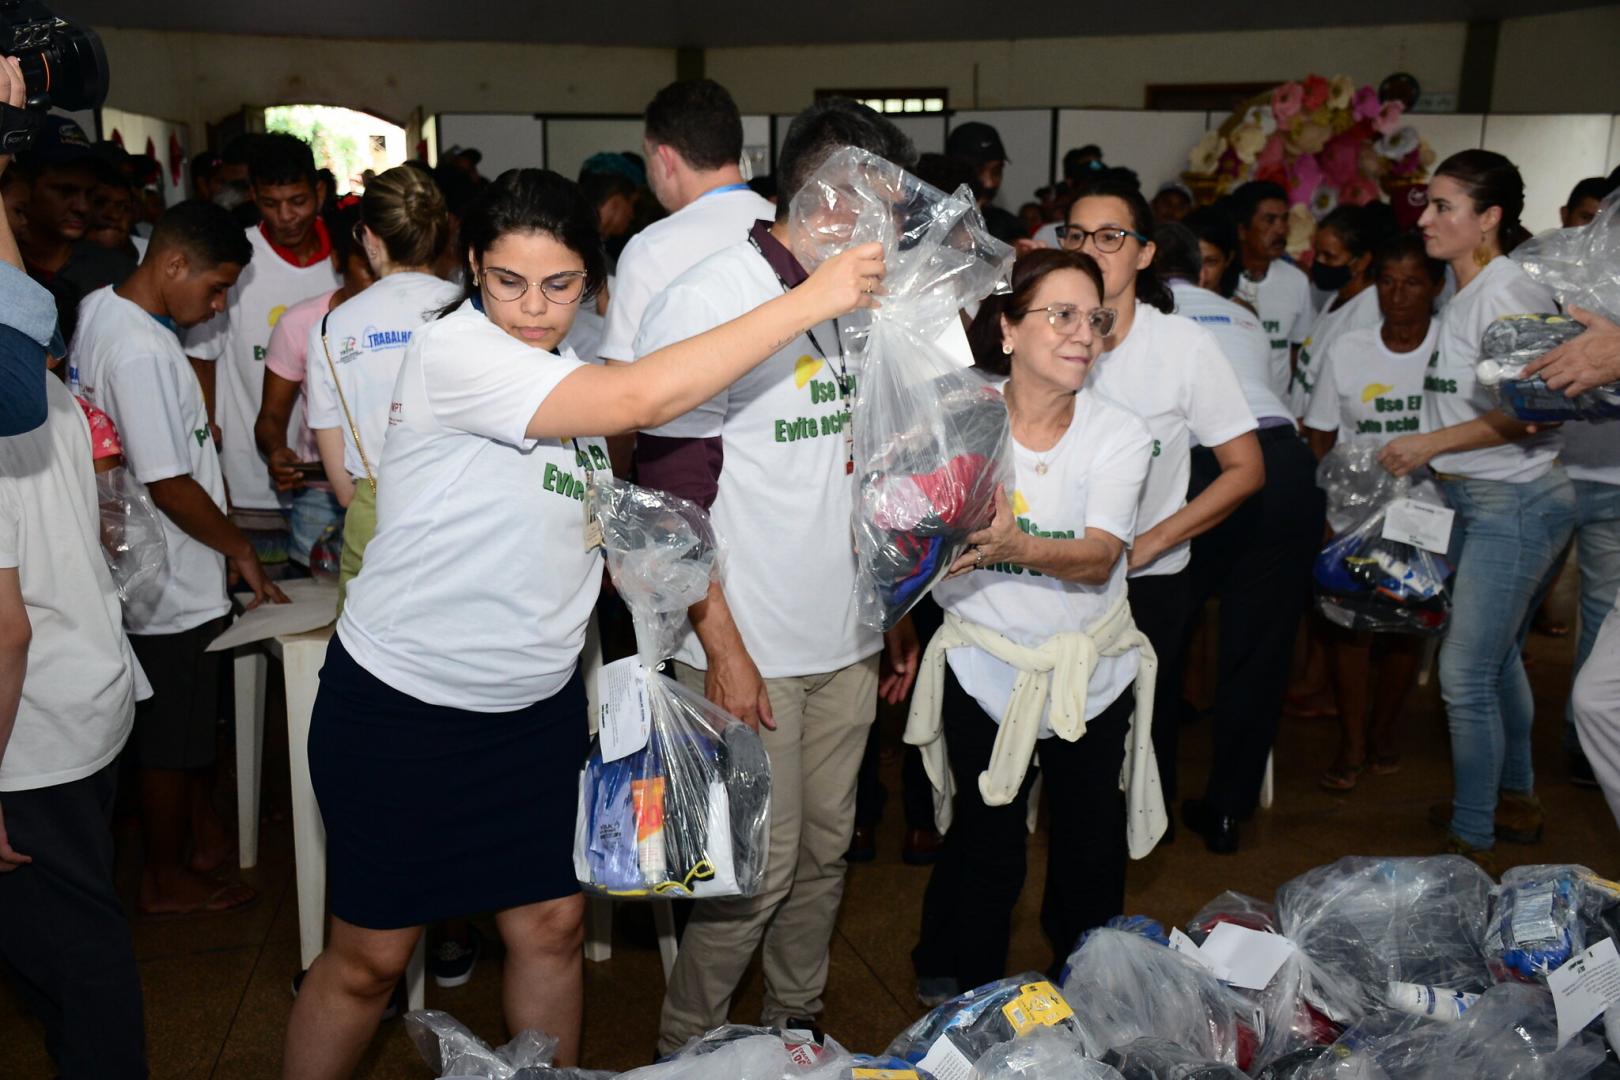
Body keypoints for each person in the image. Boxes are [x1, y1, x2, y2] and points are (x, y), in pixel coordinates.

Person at [279, 166, 884, 1080]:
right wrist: (814, 298)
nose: (532, 308)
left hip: (532, 714)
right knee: (370, 962)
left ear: (591, 287)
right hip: (405, 708)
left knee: (554, 927)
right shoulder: (456, 355)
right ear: (472, 267)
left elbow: (623, 538)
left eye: (559, 285)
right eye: (508, 281)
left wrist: (719, 643)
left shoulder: (564, 379)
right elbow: (641, 398)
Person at [633, 99, 922, 1054]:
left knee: (827, 855)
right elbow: (669, 503)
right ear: (833, 197)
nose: (893, 227)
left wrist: (894, 610)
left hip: (842, 633)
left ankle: (797, 1027)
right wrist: (721, 648)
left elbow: (866, 459)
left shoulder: (861, 298)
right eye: (884, 203)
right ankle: (690, 1045)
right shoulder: (713, 298)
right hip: (747, 640)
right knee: (755, 869)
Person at [907, 247, 1158, 1001]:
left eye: (1096, 318)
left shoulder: (1117, 432)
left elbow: (1099, 557)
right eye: (1063, 315)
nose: (1085, 333)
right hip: (983, 662)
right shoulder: (959, 417)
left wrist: (1015, 546)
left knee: (1088, 846)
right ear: (1010, 330)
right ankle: (969, 1000)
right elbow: (906, 526)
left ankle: (1086, 999)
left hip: (1088, 668)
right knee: (986, 847)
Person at [74, 200, 287, 918]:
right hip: (170, 579)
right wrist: (239, 549)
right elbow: (168, 482)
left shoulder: (104, 307)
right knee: (172, 740)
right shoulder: (139, 349)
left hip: (145, 563)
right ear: (171, 264)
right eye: (216, 287)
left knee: (184, 729)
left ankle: (196, 839)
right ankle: (163, 879)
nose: (220, 304)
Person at [1378, 150, 1575, 872]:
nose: (1425, 219)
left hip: (1513, 501)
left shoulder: (1506, 293)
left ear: (1489, 218)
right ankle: (1513, 799)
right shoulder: (1469, 291)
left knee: (1464, 674)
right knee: (1495, 667)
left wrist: (1428, 443)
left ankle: (1473, 838)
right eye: (1427, 204)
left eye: (1444, 207)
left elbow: (1533, 412)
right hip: (1483, 497)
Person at [1059, 179, 1263, 833]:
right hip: (1051, 578)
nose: (1092, 250)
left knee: (1136, 748)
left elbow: (1245, 468)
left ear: (1145, 254)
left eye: (1111, 237)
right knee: (1063, 743)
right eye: (1077, 235)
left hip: (1146, 585)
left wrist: (1147, 544)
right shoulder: (1044, 334)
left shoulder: (1182, 346)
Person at [1151, 221, 1321, 852]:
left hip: (1206, 467)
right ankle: (1227, 811)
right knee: (1260, 646)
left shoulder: (1145, 318)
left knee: (1160, 634)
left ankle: (1153, 804)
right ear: (1203, 272)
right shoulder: (1243, 317)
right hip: (1284, 463)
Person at [1303, 234, 1446, 789]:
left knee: (1406, 629)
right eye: (1387, 282)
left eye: (1413, 283)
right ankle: (1353, 743)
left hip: (1424, 510)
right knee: (1351, 631)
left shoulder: (1448, 349)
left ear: (1436, 287)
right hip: (1354, 512)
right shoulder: (1351, 349)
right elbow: (1320, 431)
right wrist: (1332, 502)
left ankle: (1385, 734)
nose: (1398, 295)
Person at [185, 133, 340, 577]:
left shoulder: (348, 264)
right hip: (249, 479)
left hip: (332, 485)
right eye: (271, 203)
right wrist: (211, 459)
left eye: (297, 201)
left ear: (320, 193)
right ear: (254, 197)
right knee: (259, 612)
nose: (286, 216)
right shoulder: (236, 258)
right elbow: (204, 356)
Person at [307, 166, 457, 602]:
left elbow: (341, 484)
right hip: (465, 509)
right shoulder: (475, 313)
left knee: (366, 658)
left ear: (369, 237)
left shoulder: (330, 329)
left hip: (375, 512)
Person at [255, 196, 374, 574]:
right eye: (367, 268)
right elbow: (271, 416)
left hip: (397, 492)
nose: (379, 281)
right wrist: (277, 451)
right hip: (320, 499)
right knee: (316, 617)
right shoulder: (301, 323)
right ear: (338, 261)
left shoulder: (417, 320)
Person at [1292, 204, 1387, 418]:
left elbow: (1349, 395)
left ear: (1361, 261)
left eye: (1329, 256)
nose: (1319, 262)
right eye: (1317, 253)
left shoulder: (1367, 313)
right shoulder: (1337, 296)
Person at [1230, 181, 1314, 404]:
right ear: (1242, 229)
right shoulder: (1221, 280)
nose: (1281, 229)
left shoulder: (1296, 280)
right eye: (1269, 220)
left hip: (1277, 411)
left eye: (1284, 219)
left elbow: (1298, 351)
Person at [947, 121, 1025, 244]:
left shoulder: (1010, 227)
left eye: (996, 171)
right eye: (979, 170)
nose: (989, 183)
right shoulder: (923, 221)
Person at [1184, 206, 1243, 299]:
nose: (1201, 273)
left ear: (1229, 259)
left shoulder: (1238, 311)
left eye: (1210, 262)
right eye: (1192, 261)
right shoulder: (1162, 309)